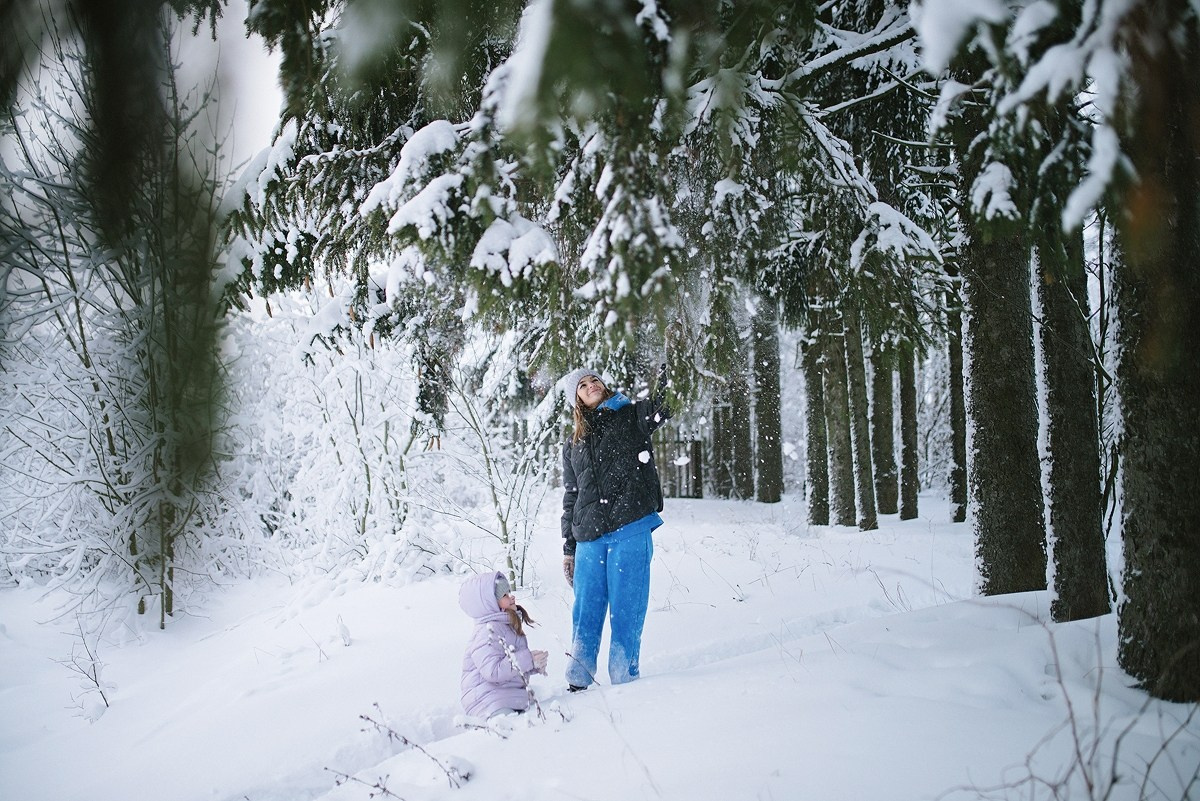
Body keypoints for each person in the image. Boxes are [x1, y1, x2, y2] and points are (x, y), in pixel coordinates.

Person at [560, 366, 671, 690]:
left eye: (593, 379)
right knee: (585, 611)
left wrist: (672, 362)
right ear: (576, 399)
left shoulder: (632, 416)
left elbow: (666, 403)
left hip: (630, 524)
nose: (590, 385)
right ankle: (578, 679)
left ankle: (624, 678)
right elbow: (572, 495)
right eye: (582, 384)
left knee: (627, 608)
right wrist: (569, 549)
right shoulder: (573, 442)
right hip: (589, 536)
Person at [458, 571, 548, 718]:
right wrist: (527, 660)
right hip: (486, 700)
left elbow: (510, 670)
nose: (511, 597)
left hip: (504, 696)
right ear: (490, 604)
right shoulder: (486, 632)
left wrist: (533, 664)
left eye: (509, 592)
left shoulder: (506, 625)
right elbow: (493, 671)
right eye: (504, 595)